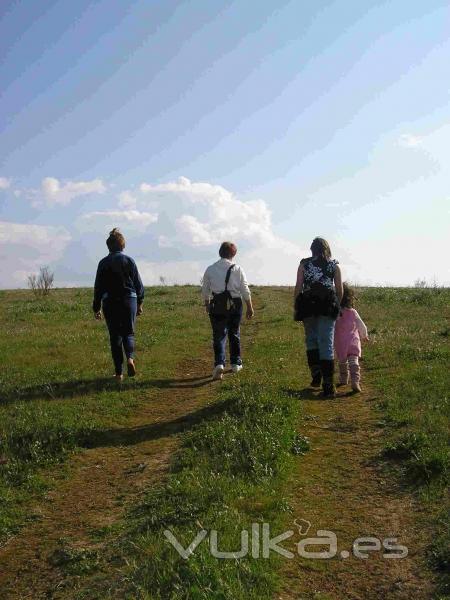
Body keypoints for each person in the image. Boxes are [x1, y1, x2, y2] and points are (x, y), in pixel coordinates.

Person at [294, 237, 343, 398]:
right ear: (327, 249)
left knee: (311, 339)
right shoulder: (334, 265)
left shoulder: (304, 264)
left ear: (312, 250)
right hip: (327, 305)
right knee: (326, 342)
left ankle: (316, 374)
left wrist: (297, 305)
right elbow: (339, 290)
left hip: (308, 305)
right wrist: (338, 306)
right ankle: (328, 384)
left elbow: (298, 287)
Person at [93, 228, 144, 381]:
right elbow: (138, 284)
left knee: (115, 336)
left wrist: (96, 307)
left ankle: (118, 373)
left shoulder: (103, 263)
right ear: (122, 246)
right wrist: (140, 302)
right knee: (128, 333)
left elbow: (98, 287)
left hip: (110, 302)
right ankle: (130, 358)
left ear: (108, 247)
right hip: (129, 299)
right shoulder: (129, 261)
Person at [202, 242, 254, 381]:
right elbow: (244, 288)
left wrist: (207, 304)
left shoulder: (210, 269)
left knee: (219, 335)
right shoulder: (237, 269)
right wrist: (249, 306)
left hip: (217, 304)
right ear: (233, 254)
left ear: (220, 252)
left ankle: (219, 363)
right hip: (235, 303)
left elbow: (205, 289)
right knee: (234, 332)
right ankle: (236, 363)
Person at [334, 283, 369, 393]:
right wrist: (364, 335)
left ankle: (344, 379)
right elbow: (361, 325)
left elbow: (331, 327)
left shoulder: (335, 312)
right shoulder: (353, 312)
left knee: (342, 361)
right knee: (354, 361)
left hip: (340, 342)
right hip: (353, 341)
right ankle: (355, 381)